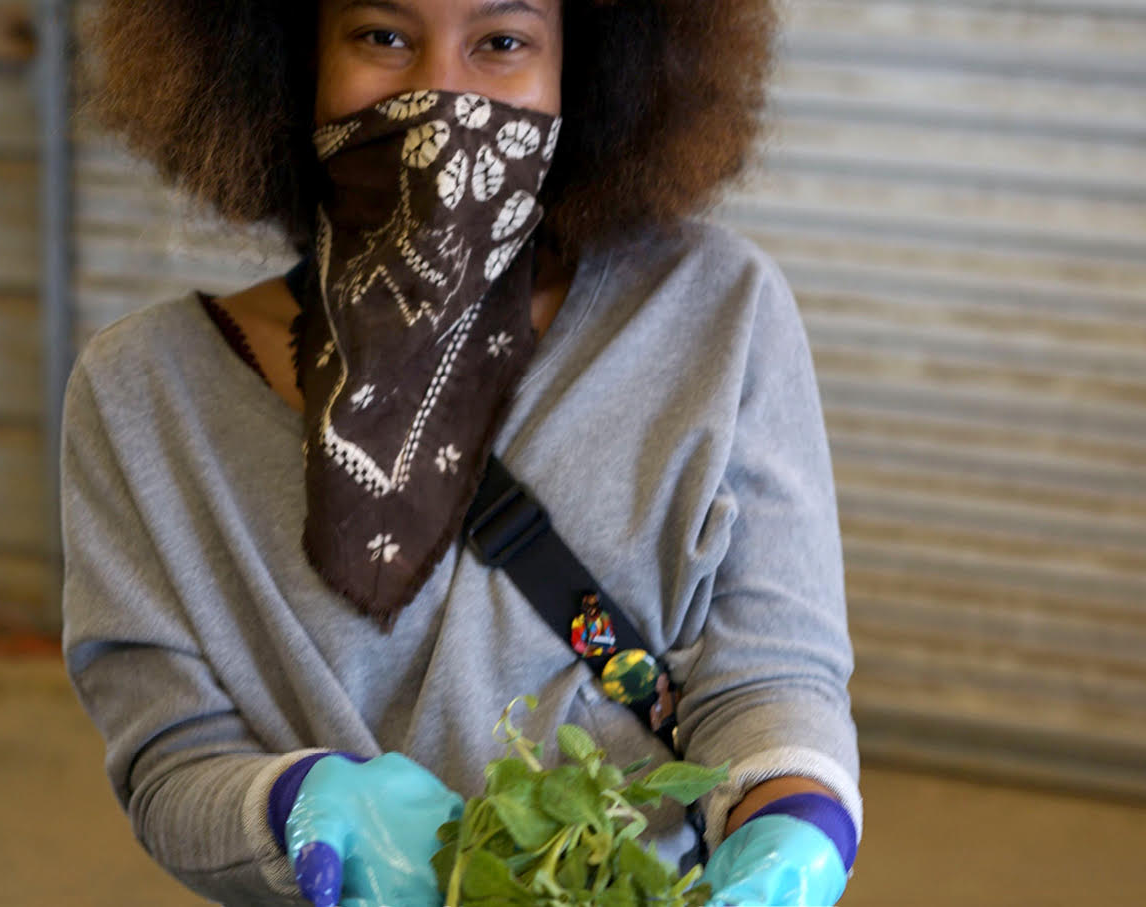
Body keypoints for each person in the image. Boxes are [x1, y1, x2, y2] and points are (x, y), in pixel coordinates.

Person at [62, 1, 862, 905]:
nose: (438, 93)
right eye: (383, 36)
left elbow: (773, 674)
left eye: (502, 43)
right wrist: (292, 805)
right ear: (291, 62)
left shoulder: (714, 315)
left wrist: (798, 824)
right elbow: (171, 761)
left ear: (586, 73)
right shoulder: (145, 397)